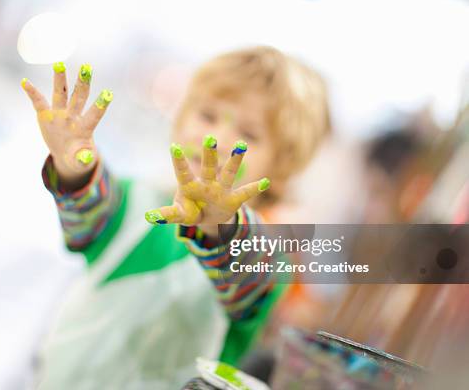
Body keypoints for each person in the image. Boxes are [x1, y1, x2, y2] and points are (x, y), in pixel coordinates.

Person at [21, 47, 330, 389]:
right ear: (181, 119)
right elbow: (86, 215)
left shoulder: (267, 259)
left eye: (249, 135)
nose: (219, 139)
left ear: (282, 166)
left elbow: (248, 276)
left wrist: (219, 228)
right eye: (208, 116)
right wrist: (73, 167)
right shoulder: (132, 200)